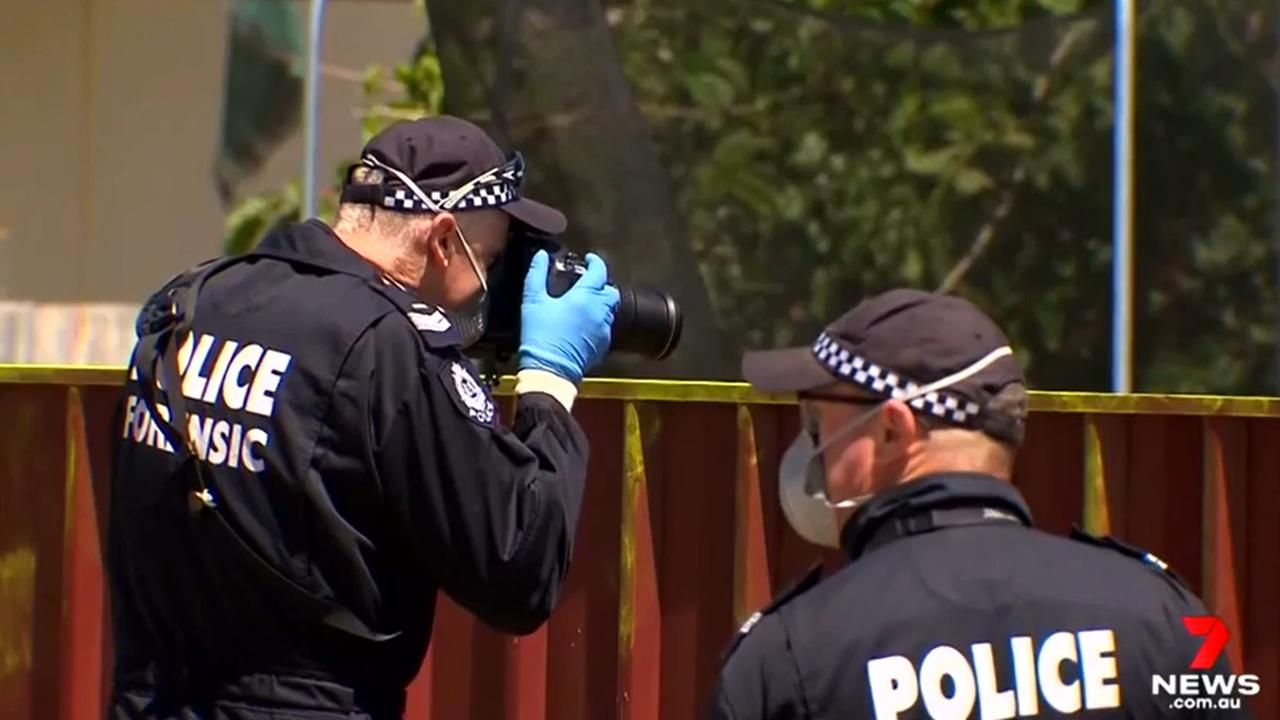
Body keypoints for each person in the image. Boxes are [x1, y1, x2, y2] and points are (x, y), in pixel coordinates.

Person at [106, 116, 620, 719]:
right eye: (496, 257)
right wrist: (548, 382)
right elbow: (519, 568)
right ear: (445, 241)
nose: (494, 285)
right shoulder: (389, 347)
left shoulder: (196, 301)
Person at [708, 288, 1250, 719]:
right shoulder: (1164, 620)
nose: (813, 451)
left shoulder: (788, 660)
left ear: (893, 430)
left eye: (818, 423)